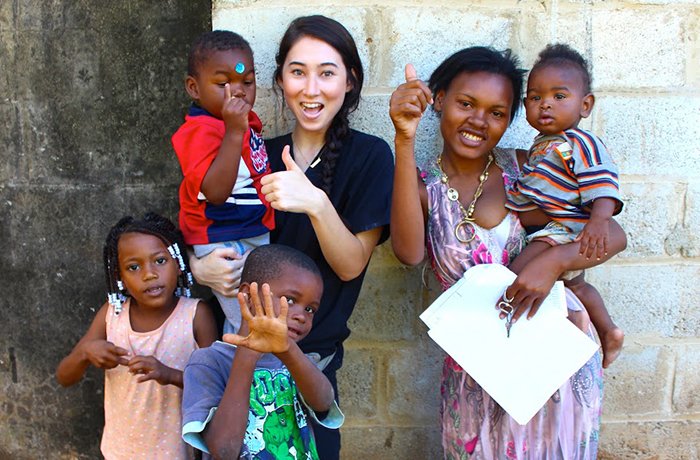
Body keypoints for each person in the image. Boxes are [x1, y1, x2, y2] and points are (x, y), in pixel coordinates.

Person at [390, 47, 627, 458]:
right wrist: (404, 138)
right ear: (439, 100)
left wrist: (554, 262)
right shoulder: (422, 185)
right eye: (466, 104)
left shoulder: (528, 171)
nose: (478, 121)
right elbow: (408, 254)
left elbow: (614, 234)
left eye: (496, 112)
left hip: (554, 363)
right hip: (478, 372)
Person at [188, 15, 394, 458]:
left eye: (327, 72)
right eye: (298, 72)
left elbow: (350, 263)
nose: (311, 88)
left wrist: (315, 202)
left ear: (351, 81)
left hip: (309, 368)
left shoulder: (370, 157)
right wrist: (198, 265)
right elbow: (207, 216)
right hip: (238, 362)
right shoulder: (254, 150)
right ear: (280, 79)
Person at [56, 212, 218, 460]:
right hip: (119, 451)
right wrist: (86, 352)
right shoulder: (112, 315)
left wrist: (170, 375)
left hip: (174, 453)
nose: (149, 274)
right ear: (119, 277)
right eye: (134, 267)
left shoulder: (196, 315)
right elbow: (64, 376)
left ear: (178, 263)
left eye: (160, 261)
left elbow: (215, 386)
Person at [505, 43, 624, 368]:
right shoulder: (542, 145)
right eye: (535, 97)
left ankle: (561, 330)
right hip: (554, 228)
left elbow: (603, 184)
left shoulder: (579, 143)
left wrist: (599, 221)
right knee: (577, 286)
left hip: (565, 229)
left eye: (559, 96)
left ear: (585, 105)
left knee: (516, 275)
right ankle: (608, 331)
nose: (545, 105)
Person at [181, 244, 344, 459]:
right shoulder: (209, 363)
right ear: (248, 295)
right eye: (291, 300)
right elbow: (223, 450)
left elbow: (323, 402)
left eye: (310, 309)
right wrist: (248, 353)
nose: (301, 316)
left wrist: (287, 351)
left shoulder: (299, 362)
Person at [172, 30, 274, 333]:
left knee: (264, 311)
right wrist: (232, 131)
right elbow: (215, 192)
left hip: (252, 231)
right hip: (221, 238)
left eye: (247, 81)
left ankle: (254, 372)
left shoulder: (247, 123)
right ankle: (239, 375)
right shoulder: (199, 132)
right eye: (223, 83)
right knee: (247, 319)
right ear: (194, 88)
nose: (238, 91)